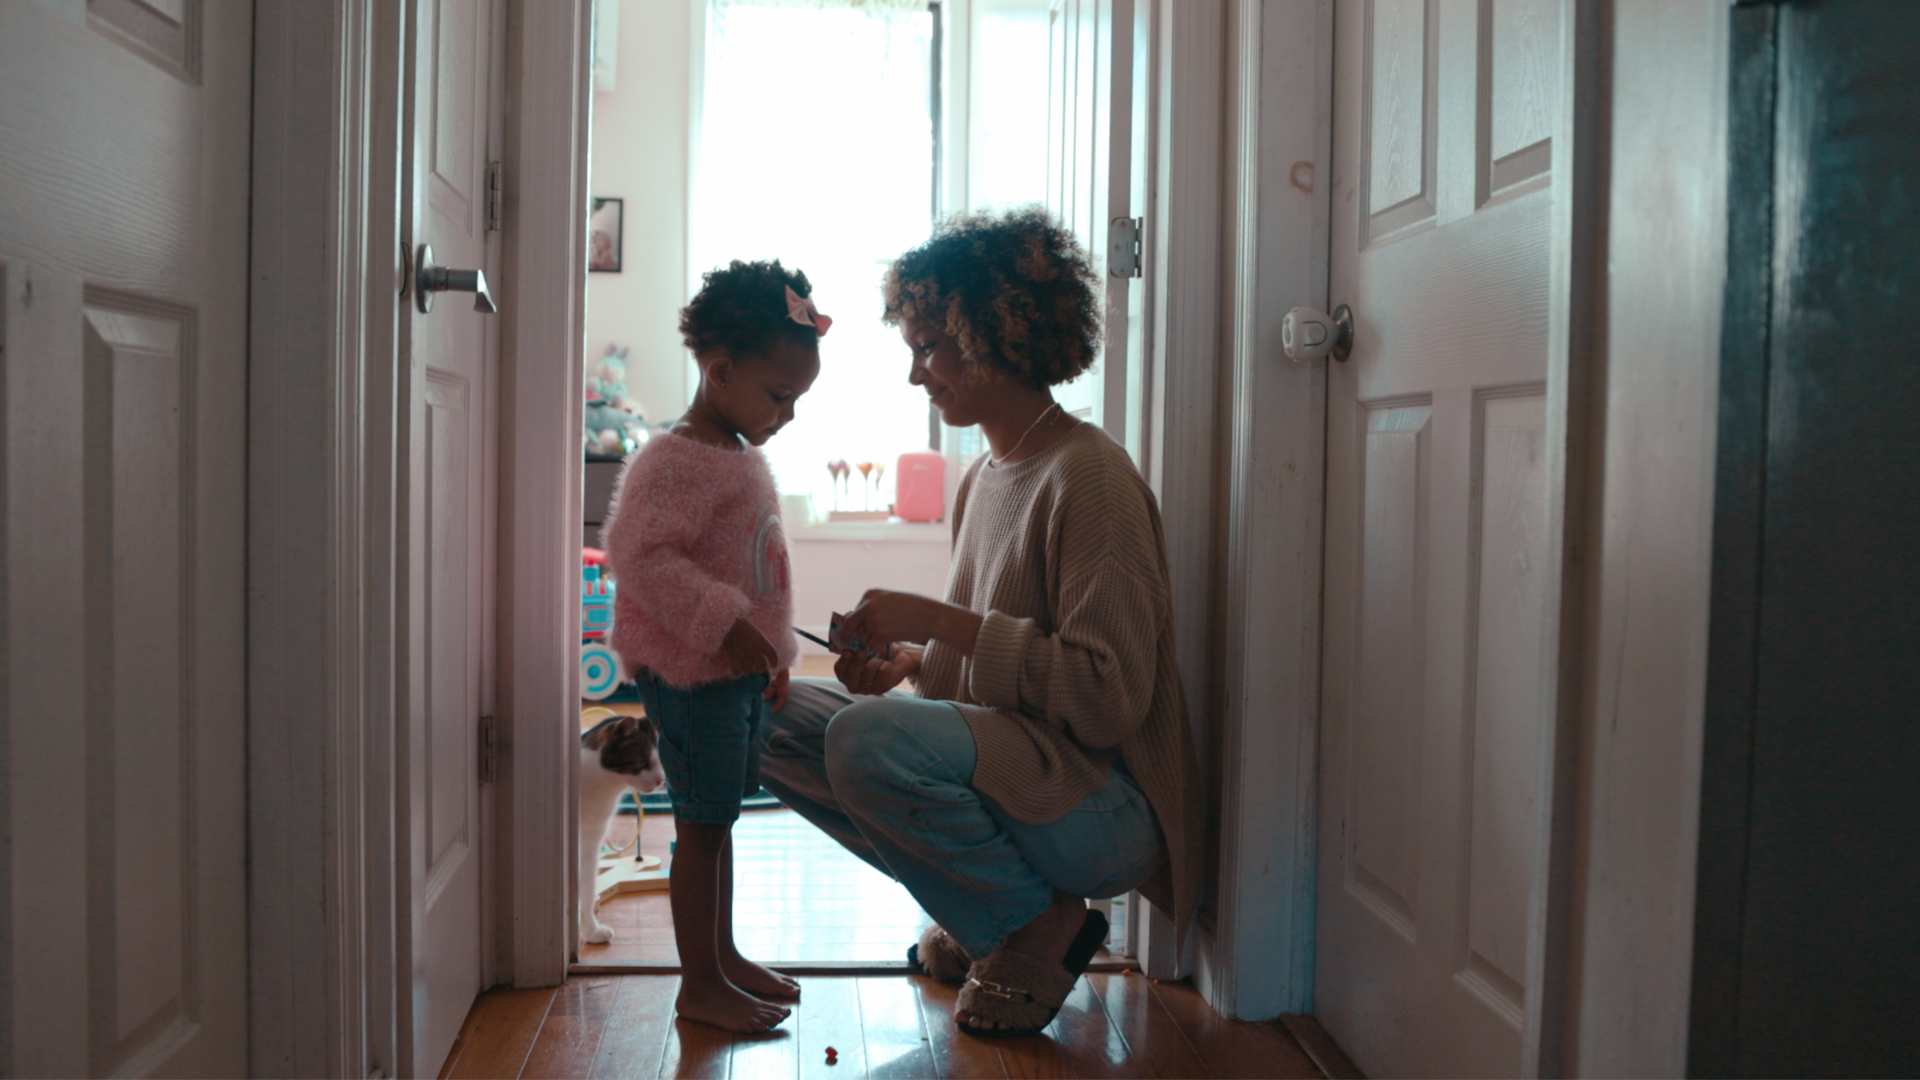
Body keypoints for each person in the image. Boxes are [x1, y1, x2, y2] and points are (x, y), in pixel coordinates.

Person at [759, 208, 1202, 1038]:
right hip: (1028, 775)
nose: (916, 375)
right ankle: (1002, 915)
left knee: (865, 742)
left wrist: (940, 621)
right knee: (764, 715)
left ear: (1000, 330)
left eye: (929, 345)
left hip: (1103, 807)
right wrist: (906, 665)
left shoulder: (1091, 478)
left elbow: (1106, 699)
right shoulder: (985, 479)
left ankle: (1033, 930)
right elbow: (986, 687)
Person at [600, 259, 830, 1033]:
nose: (787, 416)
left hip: (729, 677)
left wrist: (772, 656)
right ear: (721, 370)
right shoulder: (674, 459)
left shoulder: (737, 454)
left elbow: (759, 566)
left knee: (719, 819)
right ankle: (698, 984)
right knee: (699, 828)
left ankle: (721, 957)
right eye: (779, 397)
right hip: (691, 677)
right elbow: (640, 554)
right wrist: (723, 624)